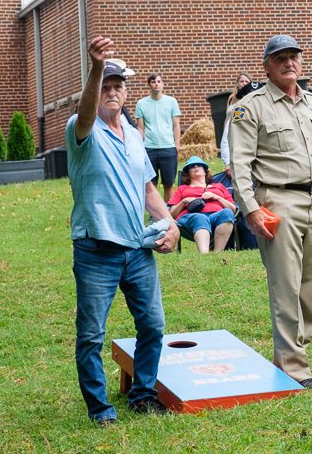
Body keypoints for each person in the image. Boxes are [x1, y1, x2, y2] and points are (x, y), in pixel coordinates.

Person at [229, 34, 312, 389]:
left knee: (310, 289)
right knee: (286, 287)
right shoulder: (250, 107)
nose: (289, 63)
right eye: (281, 58)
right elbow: (239, 165)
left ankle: (287, 357)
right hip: (279, 203)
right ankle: (295, 371)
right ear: (267, 66)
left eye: (294, 56)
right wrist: (252, 209)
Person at [66, 37, 180, 425]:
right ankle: (100, 410)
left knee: (152, 325)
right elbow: (84, 115)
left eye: (118, 86)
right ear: (96, 91)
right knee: (91, 336)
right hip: (96, 250)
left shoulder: (133, 135)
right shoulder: (82, 130)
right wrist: (97, 67)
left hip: (137, 250)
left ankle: (143, 394)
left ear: (127, 92)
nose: (112, 92)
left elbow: (149, 187)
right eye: (105, 86)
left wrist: (172, 224)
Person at [166, 156, 236, 253]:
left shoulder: (219, 187)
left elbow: (233, 209)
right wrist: (184, 201)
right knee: (200, 218)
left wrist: (216, 197)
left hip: (215, 217)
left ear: (205, 171)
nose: (196, 167)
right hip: (190, 217)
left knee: (227, 213)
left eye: (199, 165)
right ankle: (204, 255)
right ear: (188, 173)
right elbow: (172, 214)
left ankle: (217, 254)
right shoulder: (182, 189)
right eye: (192, 166)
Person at [135, 72, 181, 201]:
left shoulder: (171, 102)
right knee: (151, 185)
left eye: (159, 81)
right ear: (149, 85)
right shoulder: (141, 104)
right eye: (153, 82)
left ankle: (168, 212)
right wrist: (139, 147)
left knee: (169, 184)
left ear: (163, 84)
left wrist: (177, 145)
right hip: (149, 149)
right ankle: (154, 215)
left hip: (168, 148)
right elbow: (140, 127)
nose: (156, 84)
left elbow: (176, 125)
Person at [220, 72, 252, 177]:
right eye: (241, 81)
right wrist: (225, 131)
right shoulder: (231, 98)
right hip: (230, 129)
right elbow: (227, 116)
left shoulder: (252, 98)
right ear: (237, 83)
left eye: (247, 81)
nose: (244, 83)